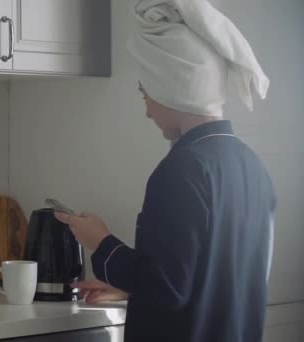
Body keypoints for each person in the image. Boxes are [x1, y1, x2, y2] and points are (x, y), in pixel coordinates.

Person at [54, 1, 276, 341]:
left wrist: (100, 241)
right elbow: (206, 283)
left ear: (171, 88)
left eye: (145, 95)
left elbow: (166, 287)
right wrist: (129, 290)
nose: (147, 111)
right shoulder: (252, 165)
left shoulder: (182, 171)